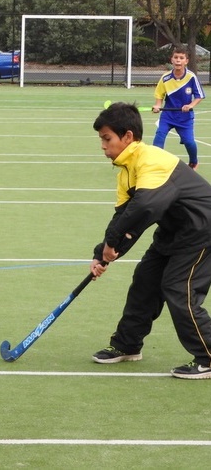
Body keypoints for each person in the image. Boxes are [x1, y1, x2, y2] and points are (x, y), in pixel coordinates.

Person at [89, 102, 211, 380]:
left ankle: (209, 356)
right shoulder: (126, 171)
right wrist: (102, 254)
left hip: (202, 230)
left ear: (128, 137)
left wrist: (112, 245)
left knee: (178, 289)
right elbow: (123, 217)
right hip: (174, 233)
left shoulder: (152, 160)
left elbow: (145, 208)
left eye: (107, 139)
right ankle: (127, 345)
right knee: (145, 281)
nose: (103, 146)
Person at [151, 45, 205, 170]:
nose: (178, 60)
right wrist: (158, 106)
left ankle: (193, 162)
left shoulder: (191, 77)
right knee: (159, 137)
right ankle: (154, 164)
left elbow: (199, 96)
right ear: (172, 60)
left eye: (181, 58)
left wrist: (190, 105)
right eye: (176, 57)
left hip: (185, 117)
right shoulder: (165, 78)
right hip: (168, 116)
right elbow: (159, 95)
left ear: (186, 61)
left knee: (189, 142)